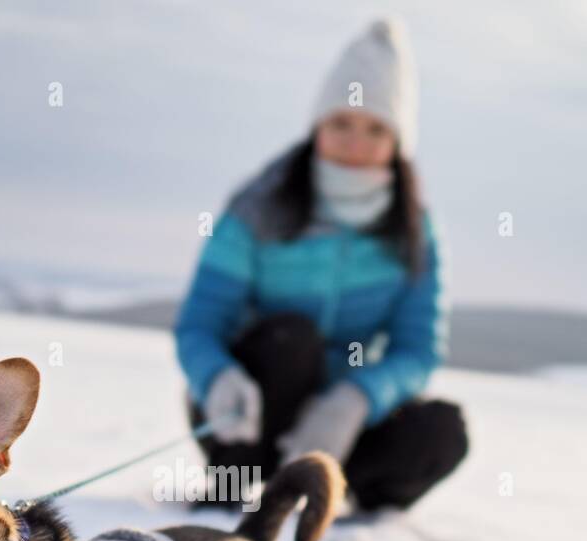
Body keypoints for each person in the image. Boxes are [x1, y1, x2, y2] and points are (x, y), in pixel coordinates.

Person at [174, 17, 468, 513]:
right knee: (293, 337)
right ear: (317, 127)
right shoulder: (256, 209)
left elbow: (417, 351)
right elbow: (198, 325)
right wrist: (218, 378)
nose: (355, 143)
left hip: (339, 427)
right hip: (248, 413)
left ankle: (334, 499)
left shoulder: (415, 234)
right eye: (341, 123)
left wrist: (355, 399)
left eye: (375, 129)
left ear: (398, 143)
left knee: (442, 429)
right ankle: (230, 487)